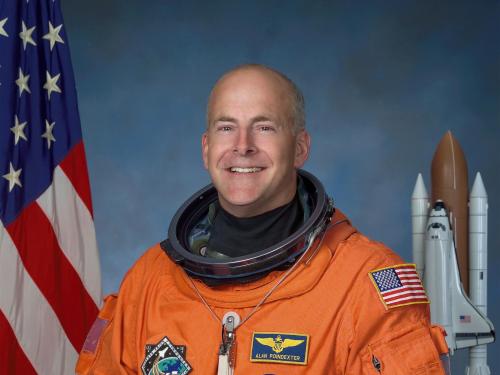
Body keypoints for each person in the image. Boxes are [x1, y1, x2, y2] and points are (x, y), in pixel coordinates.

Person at [76, 64, 450, 375]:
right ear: (207, 150)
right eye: (226, 127)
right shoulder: (148, 282)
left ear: (300, 147)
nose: (243, 144)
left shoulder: (364, 285)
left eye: (264, 126)